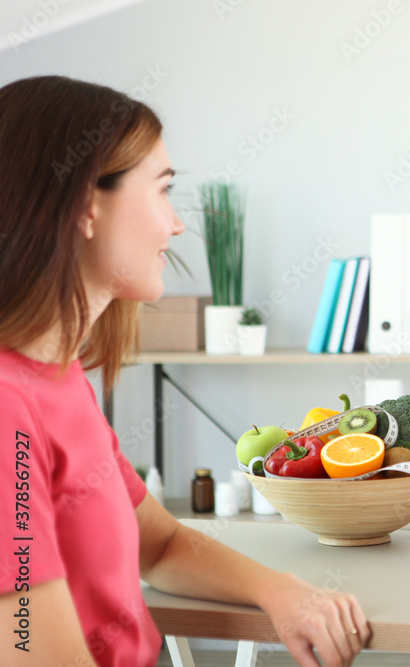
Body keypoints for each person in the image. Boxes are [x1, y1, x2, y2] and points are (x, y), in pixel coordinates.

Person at [0, 76, 370, 667]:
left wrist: (283, 592)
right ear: (86, 206)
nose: (176, 226)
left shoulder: (61, 381)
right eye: (163, 191)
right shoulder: (7, 409)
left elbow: (161, 544)